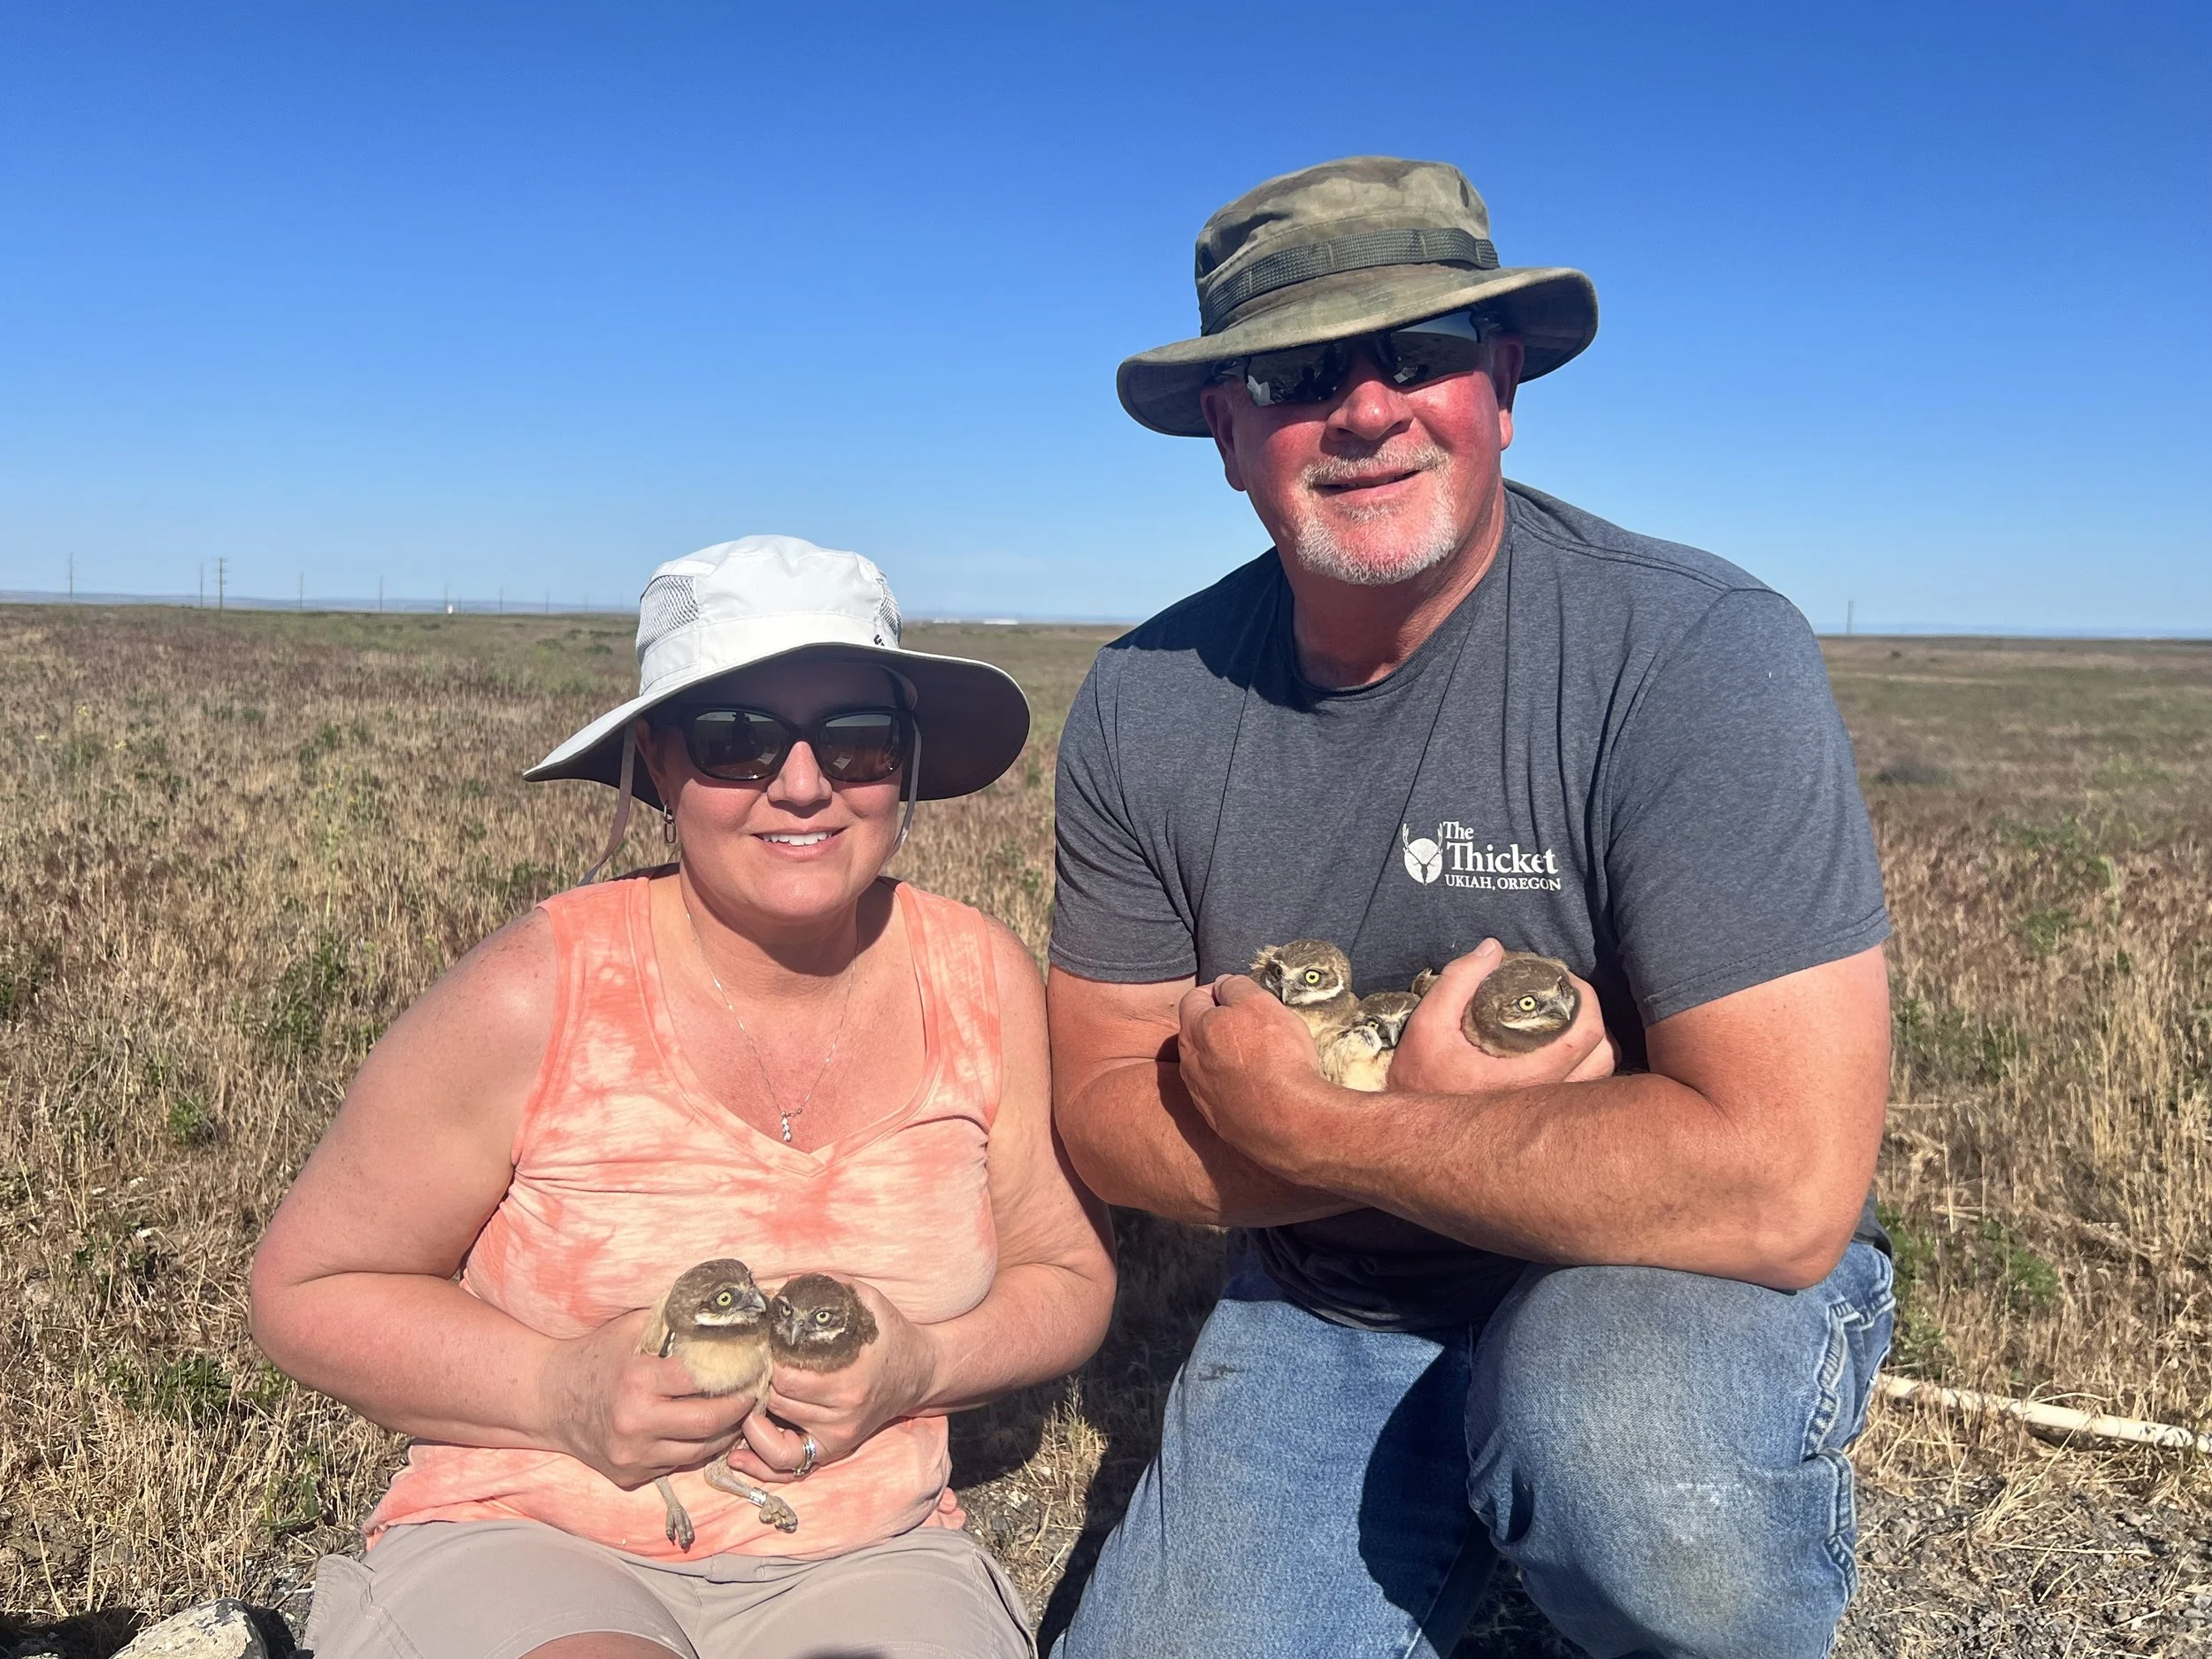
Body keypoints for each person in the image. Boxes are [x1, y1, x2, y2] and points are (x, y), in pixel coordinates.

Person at [1047, 157, 1893, 1659]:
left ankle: (1597, 1562)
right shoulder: (1143, 702)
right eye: (1300, 373)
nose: (1365, 407)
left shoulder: (1695, 651)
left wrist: (1329, 1127)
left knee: (1637, 1464)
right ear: (1227, 432)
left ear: (1501, 388)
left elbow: (1779, 1188)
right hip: (1342, 1308)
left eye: (1419, 356)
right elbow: (1105, 1102)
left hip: (1656, 1279)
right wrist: (1423, 1154)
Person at [252, 535, 1114, 1659]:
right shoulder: (538, 988)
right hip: (532, 1538)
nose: (802, 784)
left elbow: (1071, 1276)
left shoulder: (981, 978)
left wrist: (923, 1366)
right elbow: (310, 1290)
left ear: (902, 763)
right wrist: (561, 1389)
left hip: (869, 1557)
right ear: (659, 764)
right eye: (736, 742)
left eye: (855, 742)